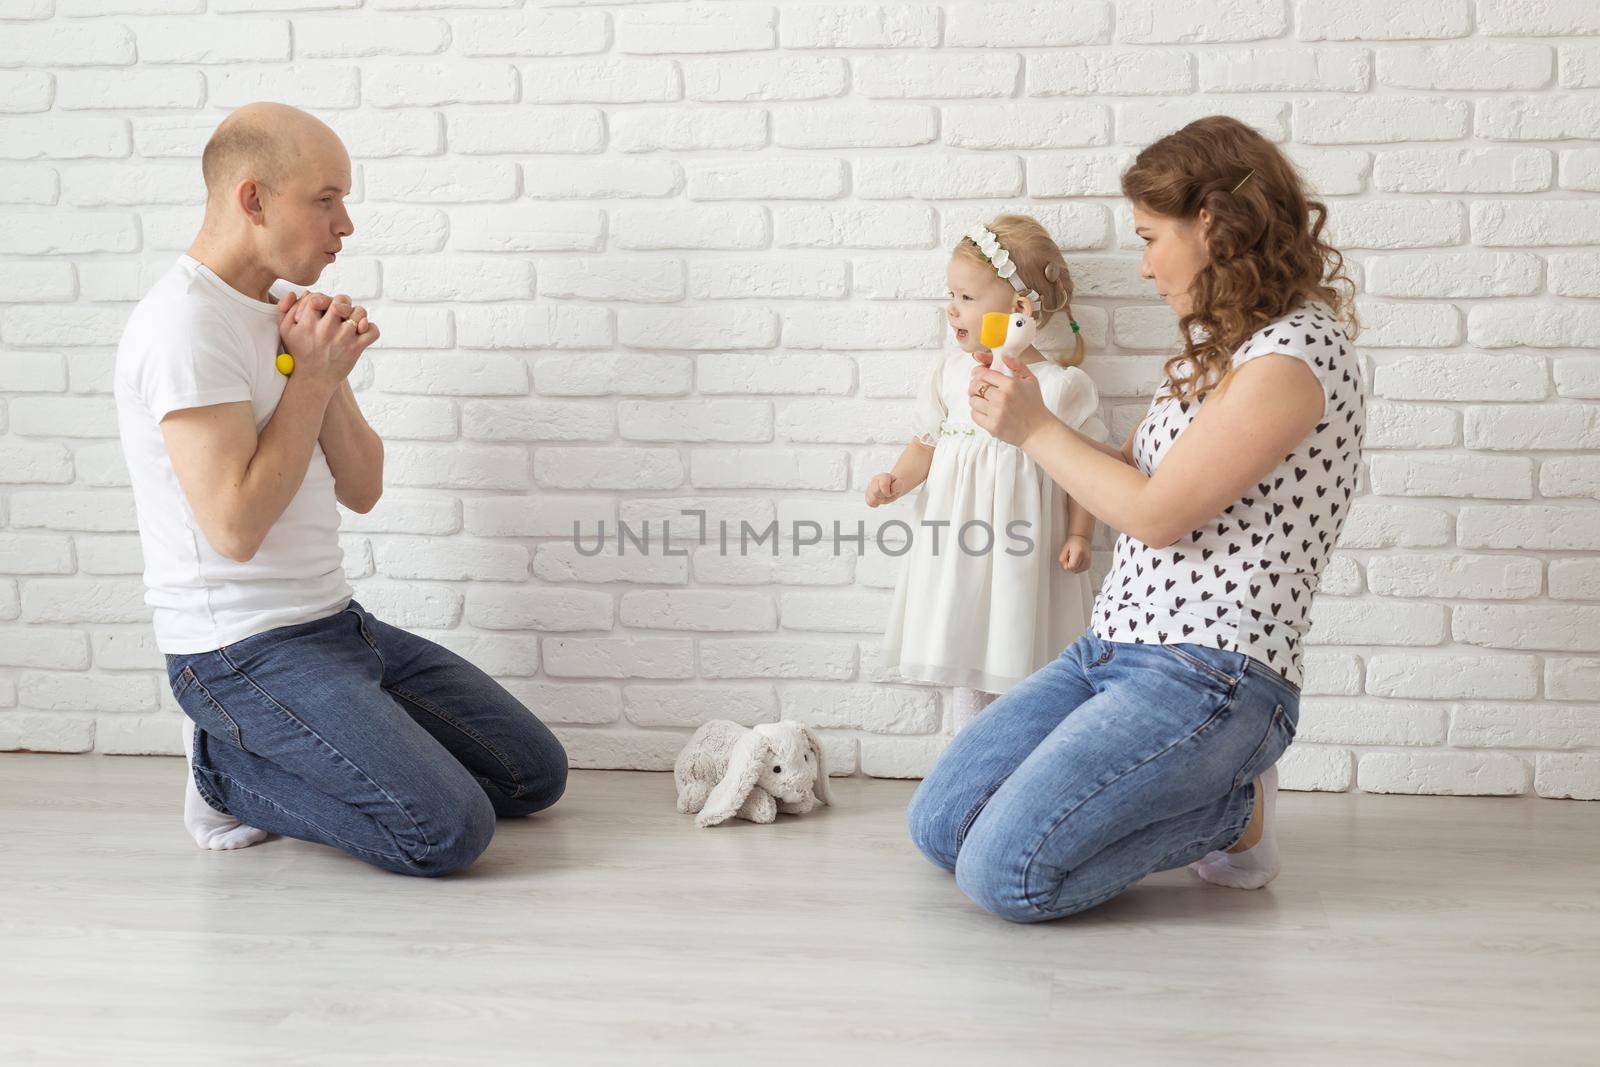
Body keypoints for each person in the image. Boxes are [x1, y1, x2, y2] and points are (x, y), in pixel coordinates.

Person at [907, 115, 1368, 921]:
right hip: (1111, 646)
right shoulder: (1218, 351)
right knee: (938, 822)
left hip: (1213, 673)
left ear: (1215, 226)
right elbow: (1127, 476)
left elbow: (1155, 516)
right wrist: (1017, 422)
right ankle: (1176, 797)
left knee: (1004, 875)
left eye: (1153, 238)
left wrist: (1039, 428)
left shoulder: (1293, 360)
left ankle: (1237, 812)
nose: (1147, 264)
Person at [112, 103, 567, 877]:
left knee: (534, 773)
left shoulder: (281, 317)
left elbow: (363, 488)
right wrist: (310, 380)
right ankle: (222, 772)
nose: (345, 223)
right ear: (252, 200)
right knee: (448, 831)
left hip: (336, 626)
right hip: (237, 655)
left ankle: (295, 745)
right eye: (326, 199)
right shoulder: (184, 327)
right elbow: (235, 525)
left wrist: (327, 376)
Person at [871, 215, 1107, 732]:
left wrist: (1079, 533)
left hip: (1024, 547)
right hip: (959, 546)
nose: (951, 308)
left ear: (1019, 309)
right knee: (967, 641)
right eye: (951, 294)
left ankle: (1018, 749)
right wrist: (896, 480)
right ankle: (967, 748)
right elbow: (925, 445)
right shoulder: (951, 375)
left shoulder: (1058, 386)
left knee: (1016, 642)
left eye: (967, 298)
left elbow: (1084, 472)